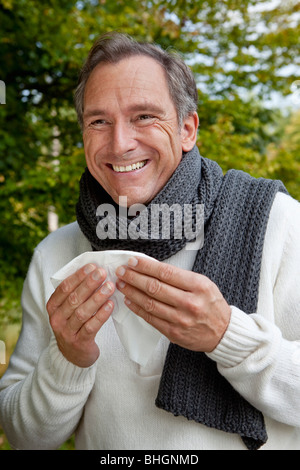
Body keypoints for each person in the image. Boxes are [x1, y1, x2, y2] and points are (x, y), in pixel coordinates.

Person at [0, 31, 300, 451]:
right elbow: (23, 438)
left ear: (187, 129)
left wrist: (227, 335)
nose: (120, 143)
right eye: (99, 121)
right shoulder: (57, 254)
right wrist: (65, 360)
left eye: (144, 116)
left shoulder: (277, 223)